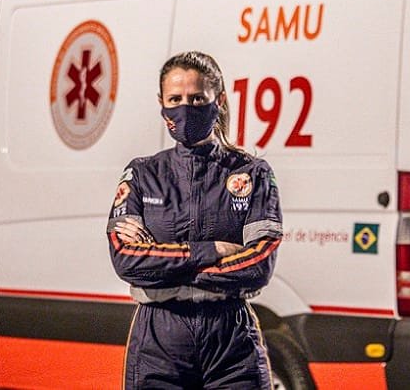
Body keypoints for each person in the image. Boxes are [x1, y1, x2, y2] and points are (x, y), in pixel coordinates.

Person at [107, 51, 282, 389]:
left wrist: (165, 266)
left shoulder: (252, 172)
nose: (185, 108)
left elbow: (259, 265)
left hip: (231, 342)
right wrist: (212, 251)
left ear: (219, 101)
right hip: (159, 342)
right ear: (161, 103)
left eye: (197, 98)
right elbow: (126, 259)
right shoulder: (142, 174)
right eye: (175, 99)